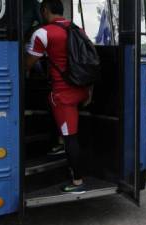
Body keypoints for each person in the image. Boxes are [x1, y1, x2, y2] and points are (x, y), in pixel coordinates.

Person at [26, 0, 90, 193]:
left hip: (64, 96)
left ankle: (78, 182)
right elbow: (89, 61)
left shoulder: (43, 33)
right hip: (81, 89)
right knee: (50, 106)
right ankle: (59, 143)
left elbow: (27, 64)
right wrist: (89, 91)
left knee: (71, 136)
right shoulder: (78, 30)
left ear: (45, 10)